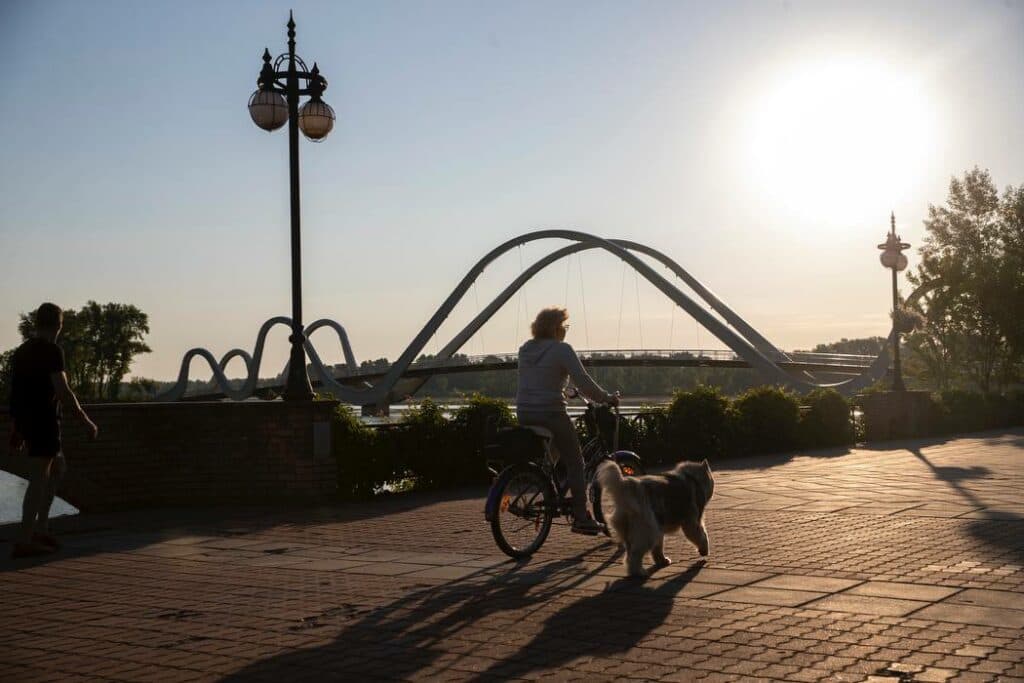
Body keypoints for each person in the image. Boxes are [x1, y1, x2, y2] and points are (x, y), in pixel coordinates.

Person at [517, 306, 619, 535]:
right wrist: (606, 398)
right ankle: (582, 518)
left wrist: (562, 389)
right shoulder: (562, 349)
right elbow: (583, 381)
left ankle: (545, 483)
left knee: (553, 453)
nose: (565, 330)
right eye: (564, 326)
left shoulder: (525, 349)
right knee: (576, 461)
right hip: (550, 412)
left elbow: (539, 380)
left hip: (524, 411)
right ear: (556, 328)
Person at [8, 303, 98, 559]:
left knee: (58, 467)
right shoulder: (52, 351)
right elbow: (63, 392)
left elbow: (15, 393)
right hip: (45, 421)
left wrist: (16, 428)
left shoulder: (22, 351)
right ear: (58, 325)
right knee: (38, 479)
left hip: (28, 421)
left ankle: (41, 527)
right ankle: (25, 539)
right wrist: (85, 421)